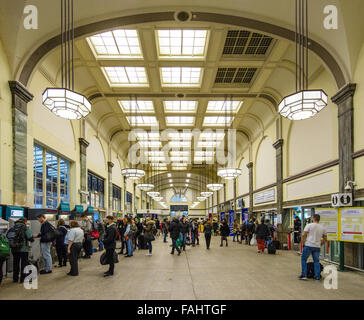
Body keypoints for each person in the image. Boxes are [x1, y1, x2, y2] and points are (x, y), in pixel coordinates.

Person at [299, 214, 327, 281]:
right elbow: (325, 238)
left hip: (308, 245)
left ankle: (304, 275)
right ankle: (317, 276)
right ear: (319, 219)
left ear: (313, 218)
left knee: (303, 259)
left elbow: (303, 234)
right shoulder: (322, 227)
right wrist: (320, 244)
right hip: (317, 246)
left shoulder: (309, 225)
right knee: (316, 261)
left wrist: (303, 243)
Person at [9, 218, 34, 283]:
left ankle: (15, 278)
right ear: (25, 222)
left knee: (15, 263)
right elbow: (30, 237)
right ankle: (23, 279)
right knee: (24, 264)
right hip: (23, 249)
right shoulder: (25, 228)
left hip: (14, 249)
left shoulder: (13, 227)